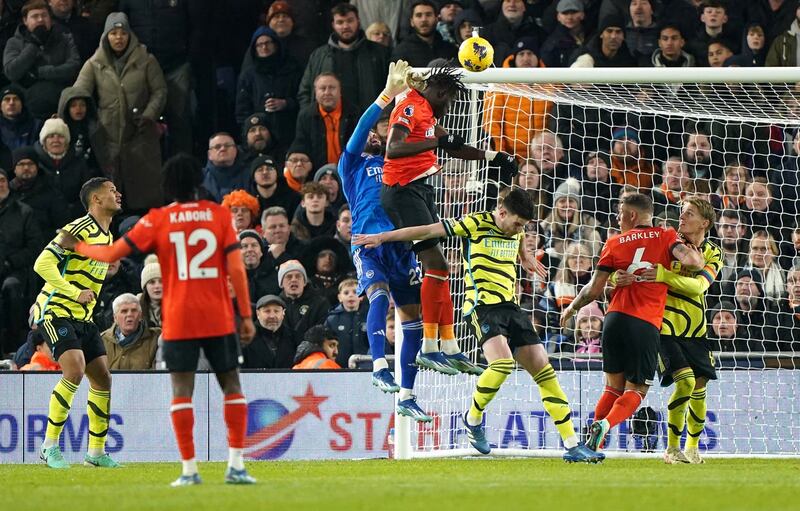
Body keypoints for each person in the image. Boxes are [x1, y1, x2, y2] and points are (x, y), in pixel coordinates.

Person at [354, 188, 601, 463]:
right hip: (481, 307)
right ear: (502, 212)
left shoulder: (515, 231)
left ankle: (572, 444)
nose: (520, 230)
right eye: (518, 224)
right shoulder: (474, 223)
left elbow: (518, 238)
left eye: (524, 227)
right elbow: (426, 230)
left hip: (511, 306)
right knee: (503, 363)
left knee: (544, 371)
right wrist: (382, 237)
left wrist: (524, 255)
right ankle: (472, 420)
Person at [59, 155, 257, 486]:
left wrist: (77, 245)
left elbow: (111, 254)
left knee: (181, 391)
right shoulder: (219, 216)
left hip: (179, 319)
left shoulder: (158, 219)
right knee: (232, 387)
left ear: (167, 186)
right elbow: (236, 269)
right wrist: (246, 316)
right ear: (197, 182)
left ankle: (189, 470)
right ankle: (236, 465)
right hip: (218, 316)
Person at [381, 65, 517, 375]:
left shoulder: (428, 112)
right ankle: (429, 348)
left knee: (441, 268)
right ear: (442, 93)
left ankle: (450, 347)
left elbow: (453, 145)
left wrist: (493, 157)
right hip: (402, 191)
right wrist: (437, 143)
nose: (450, 106)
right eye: (451, 100)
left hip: (421, 189)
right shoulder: (412, 105)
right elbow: (394, 148)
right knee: (436, 266)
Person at [559, 192, 704, 453]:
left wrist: (571, 307)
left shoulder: (613, 242)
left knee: (612, 387)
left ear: (631, 215)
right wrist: (697, 258)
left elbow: (593, 290)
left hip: (613, 321)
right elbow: (692, 262)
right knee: (637, 390)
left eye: (619, 212)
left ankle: (590, 446)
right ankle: (604, 426)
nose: (617, 217)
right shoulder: (666, 235)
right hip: (644, 323)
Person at [338, 60, 437, 420]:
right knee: (377, 292)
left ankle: (407, 394)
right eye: (370, 135)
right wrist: (386, 96)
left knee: (412, 315)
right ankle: (379, 364)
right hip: (368, 243)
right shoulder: (351, 166)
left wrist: (409, 101)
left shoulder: (395, 163)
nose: (375, 135)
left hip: (399, 243)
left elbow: (407, 133)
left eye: (379, 133)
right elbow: (365, 126)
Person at [614, 197, 721, 464]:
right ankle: (672, 448)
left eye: (689, 214)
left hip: (696, 331)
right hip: (665, 327)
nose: (681, 218)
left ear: (704, 223)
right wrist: (618, 278)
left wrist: (665, 276)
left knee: (699, 389)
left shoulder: (713, 252)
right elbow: (633, 267)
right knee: (684, 382)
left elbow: (699, 287)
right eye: (682, 213)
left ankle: (693, 448)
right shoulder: (668, 244)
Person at [32, 177, 122, 469]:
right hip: (56, 310)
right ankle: (49, 448)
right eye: (111, 191)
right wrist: (73, 292)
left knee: (102, 378)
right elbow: (42, 263)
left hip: (84, 317)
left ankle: (95, 454)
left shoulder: (106, 236)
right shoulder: (77, 229)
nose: (117, 194)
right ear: (96, 199)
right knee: (75, 369)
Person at [73, 12, 167, 212]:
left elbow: (159, 90)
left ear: (130, 35)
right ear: (106, 36)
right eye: (113, 33)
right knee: (113, 191)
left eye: (122, 32)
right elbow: (79, 92)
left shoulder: (146, 60)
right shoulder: (94, 63)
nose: (118, 37)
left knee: (145, 188)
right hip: (108, 135)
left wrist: (149, 114)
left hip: (141, 133)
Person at [100, 293, 160, 370]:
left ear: (140, 316)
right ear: (115, 318)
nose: (129, 315)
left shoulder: (155, 339)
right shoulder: (102, 341)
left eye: (134, 311)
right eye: (124, 311)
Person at [391, 0, 457, 67]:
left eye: (428, 15)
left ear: (437, 19)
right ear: (412, 21)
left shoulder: (450, 49)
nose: (424, 19)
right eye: (419, 15)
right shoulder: (401, 51)